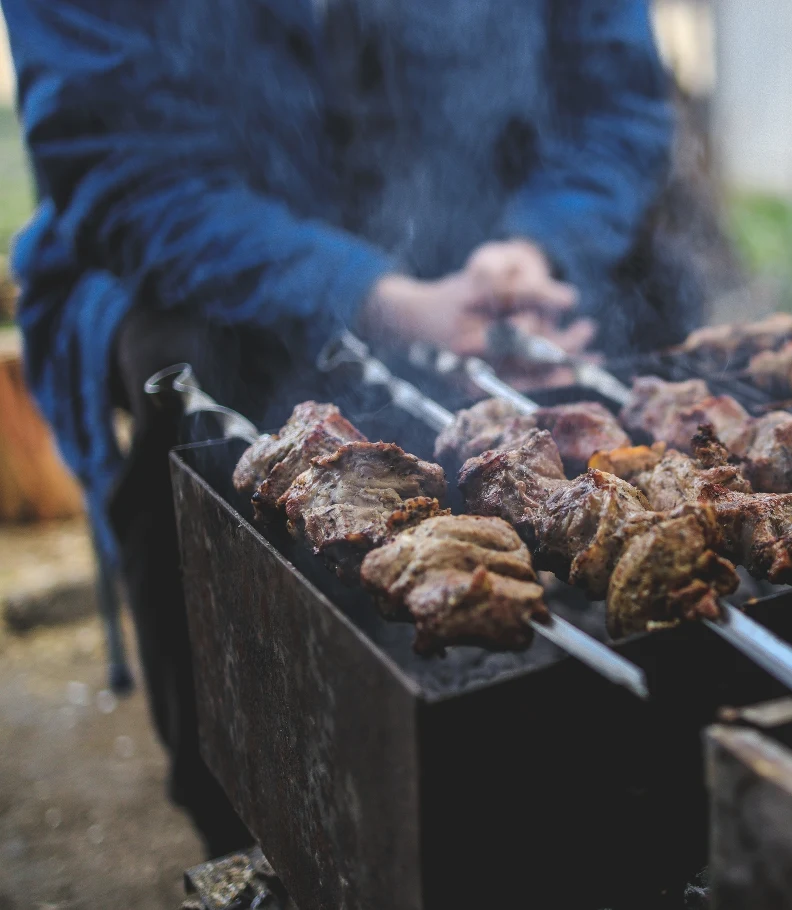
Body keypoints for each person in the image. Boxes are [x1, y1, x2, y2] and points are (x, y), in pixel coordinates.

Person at [2, 0, 683, 855]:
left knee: (662, 296)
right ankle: (249, 811)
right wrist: (377, 297)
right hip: (217, 265)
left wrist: (539, 254)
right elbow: (128, 180)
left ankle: (649, 749)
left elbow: (616, 104)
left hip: (495, 246)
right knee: (192, 374)